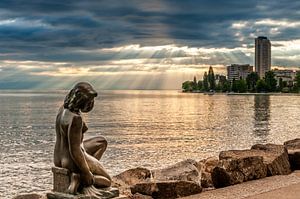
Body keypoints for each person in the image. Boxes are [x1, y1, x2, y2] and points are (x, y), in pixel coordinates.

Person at [54, 82, 111, 194]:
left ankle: (88, 169)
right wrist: (86, 172)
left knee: (102, 142)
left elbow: (69, 137)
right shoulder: (76, 119)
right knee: (108, 181)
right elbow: (74, 150)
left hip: (58, 157)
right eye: (90, 102)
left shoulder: (62, 109)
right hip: (70, 160)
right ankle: (80, 178)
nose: (91, 104)